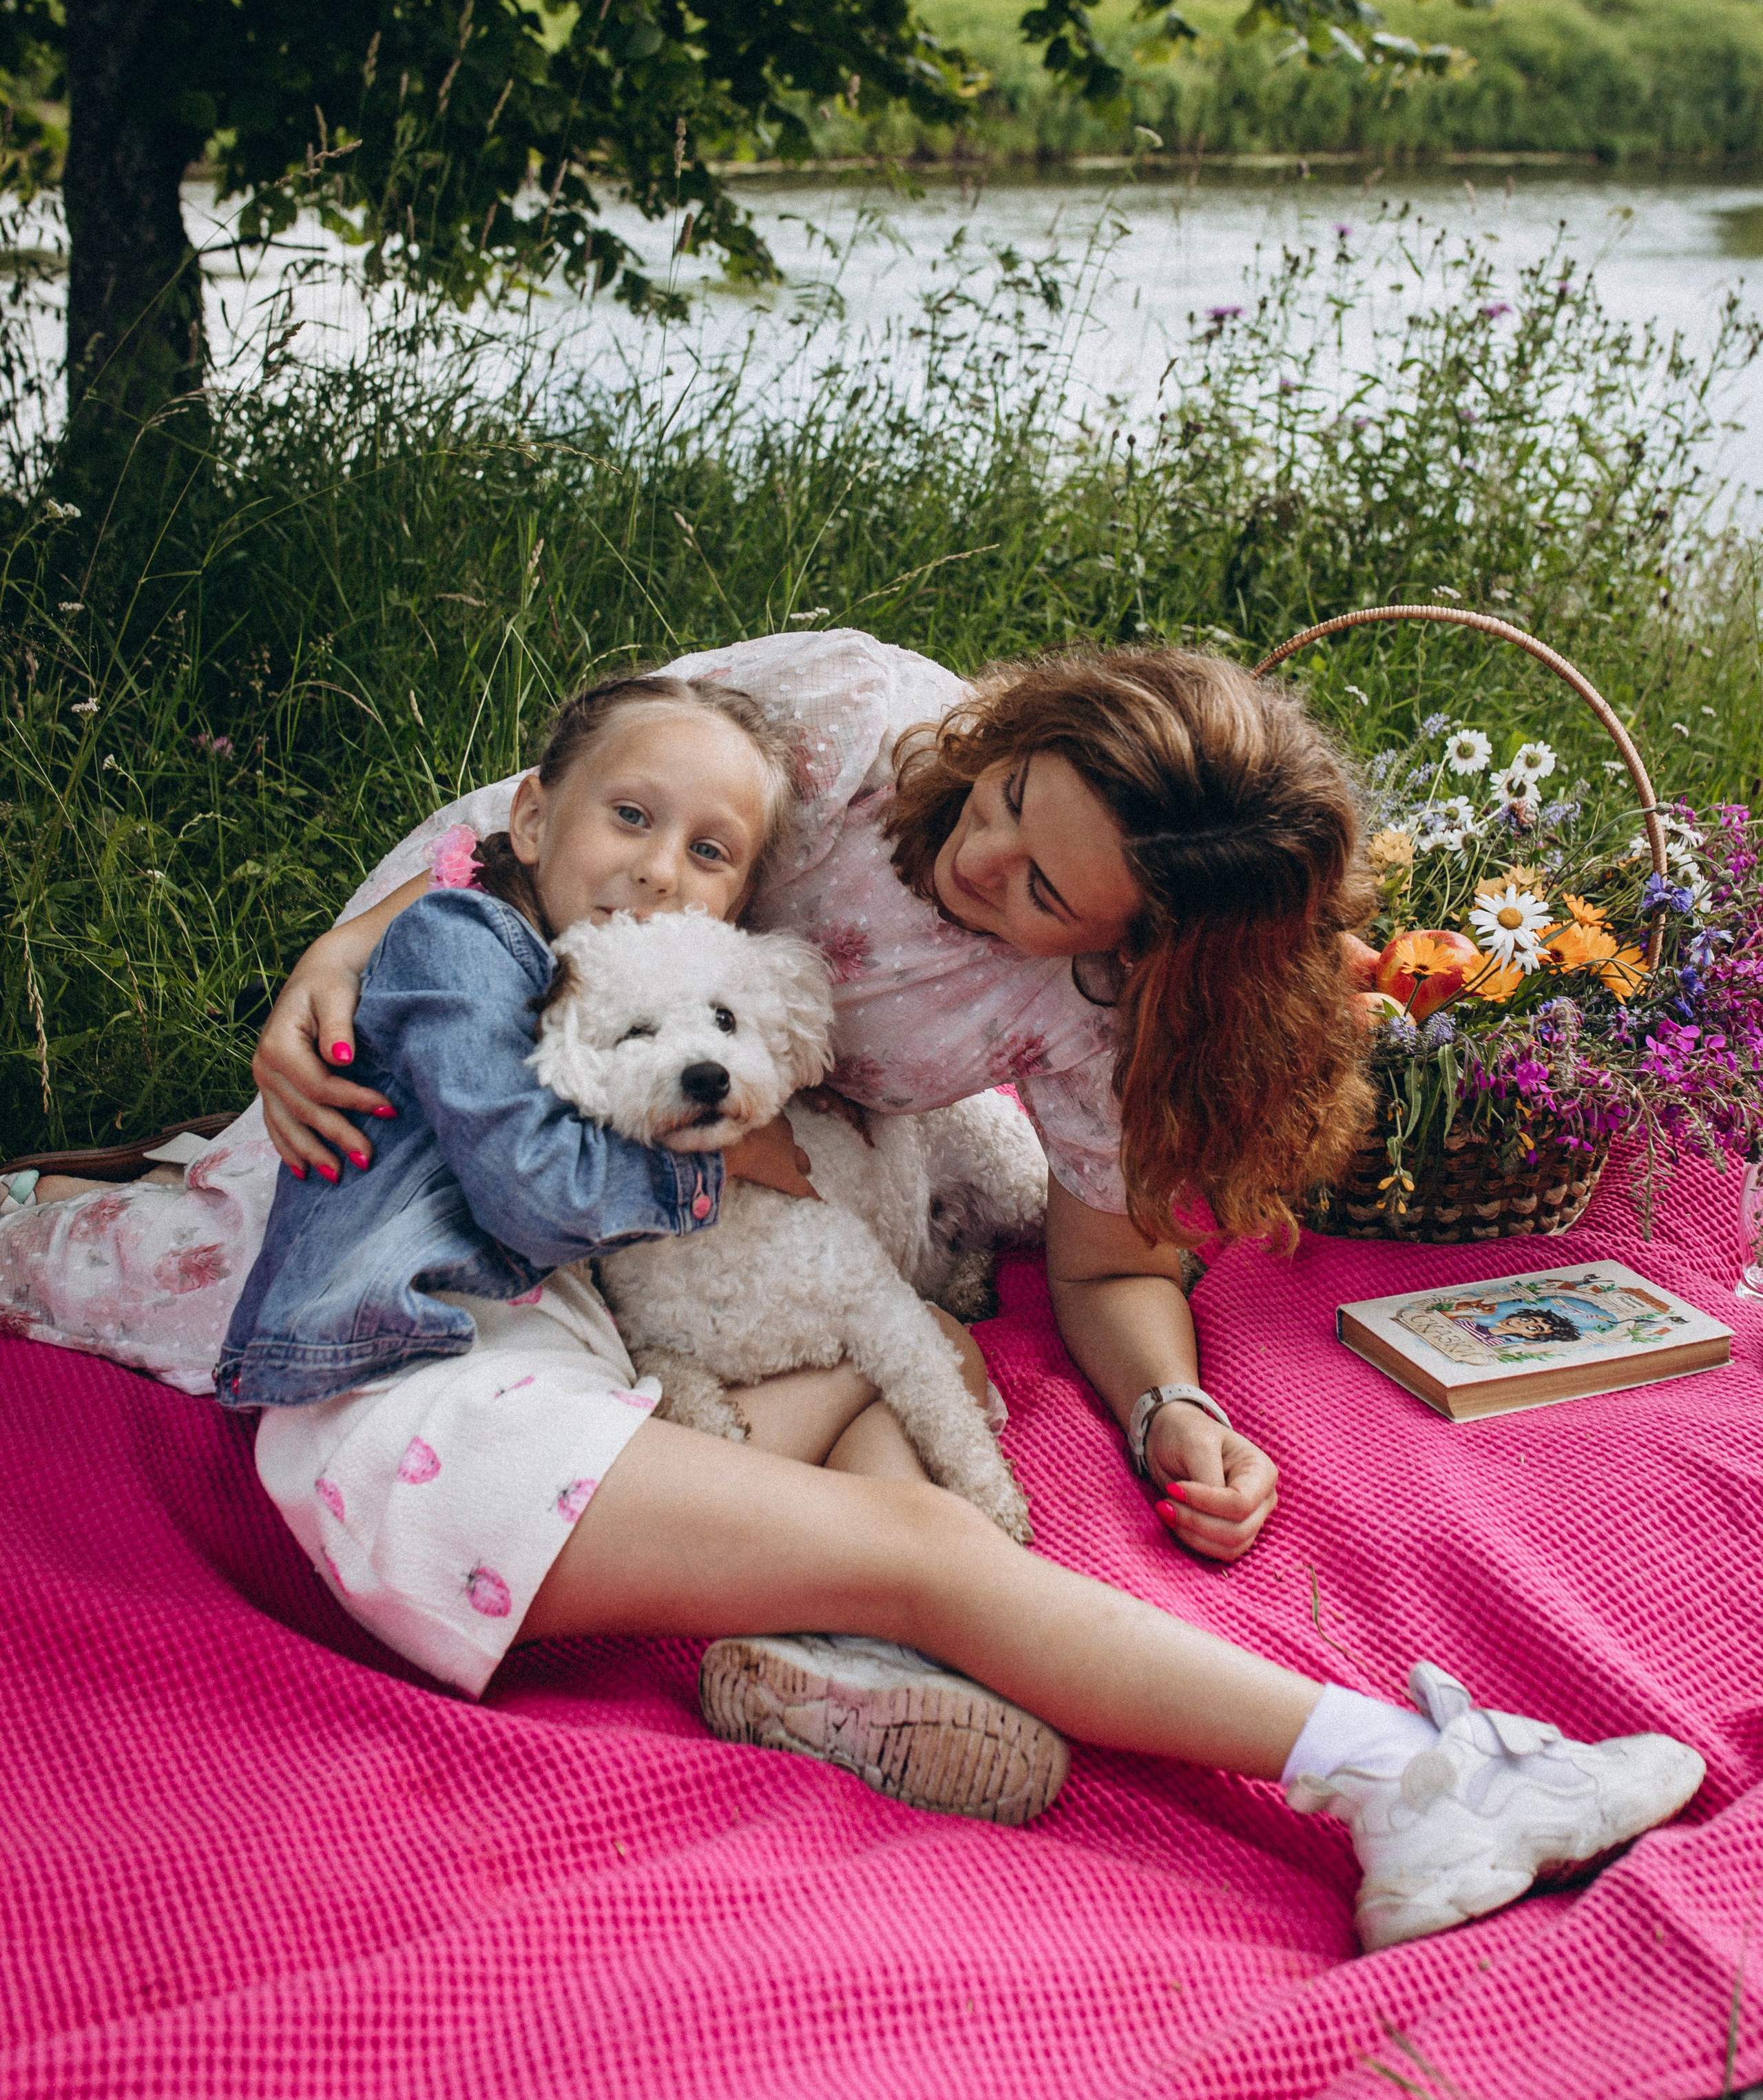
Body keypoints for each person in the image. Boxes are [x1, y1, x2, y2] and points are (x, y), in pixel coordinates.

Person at [241, 638, 1704, 1948]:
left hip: (582, 1331)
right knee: (921, 1537)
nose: (980, 864)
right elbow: (600, 785)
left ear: (1133, 951)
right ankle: (1404, 1771)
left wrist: (1166, 1404)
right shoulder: (832, 724)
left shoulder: (1097, 1022)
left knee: (904, 1430)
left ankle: (848, 1670)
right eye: (1003, 801)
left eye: (1044, 889)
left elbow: (1109, 1258)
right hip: (472, 1386)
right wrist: (362, 944)